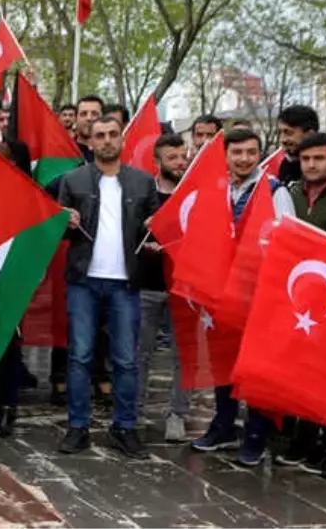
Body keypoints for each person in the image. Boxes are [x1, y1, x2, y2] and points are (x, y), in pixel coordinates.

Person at [56, 116, 160, 459]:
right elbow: (59, 229)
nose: (106, 140)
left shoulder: (144, 183)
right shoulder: (73, 180)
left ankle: (124, 428)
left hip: (125, 282)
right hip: (84, 280)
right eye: (100, 136)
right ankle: (78, 427)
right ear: (90, 142)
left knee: (126, 360)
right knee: (80, 357)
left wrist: (152, 226)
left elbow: (158, 227)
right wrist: (65, 220)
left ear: (123, 140)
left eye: (113, 134)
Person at [191, 128, 281, 466]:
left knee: (255, 366)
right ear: (225, 155)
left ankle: (256, 434)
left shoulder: (274, 190)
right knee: (222, 362)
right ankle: (224, 426)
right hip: (219, 293)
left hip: (258, 295)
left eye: (251, 152)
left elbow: (285, 241)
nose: (244, 159)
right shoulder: (215, 190)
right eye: (237, 152)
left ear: (260, 153)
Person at [270, 132, 326, 474]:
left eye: (319, 158)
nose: (312, 165)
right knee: (300, 371)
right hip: (298, 297)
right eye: (306, 159)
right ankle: (302, 439)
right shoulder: (289, 195)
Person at [135, 133, 191, 443]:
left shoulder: (193, 194)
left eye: (183, 156)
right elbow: (130, 234)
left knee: (183, 355)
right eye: (173, 158)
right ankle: (135, 410)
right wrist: (144, 234)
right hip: (147, 284)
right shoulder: (144, 193)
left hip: (183, 286)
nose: (180, 163)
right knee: (140, 352)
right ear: (157, 162)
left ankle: (178, 416)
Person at [73, 96, 105, 160]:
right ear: (75, 118)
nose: (89, 118)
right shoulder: (65, 150)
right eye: (83, 114)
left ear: (103, 118)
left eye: (94, 114)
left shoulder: (115, 151)